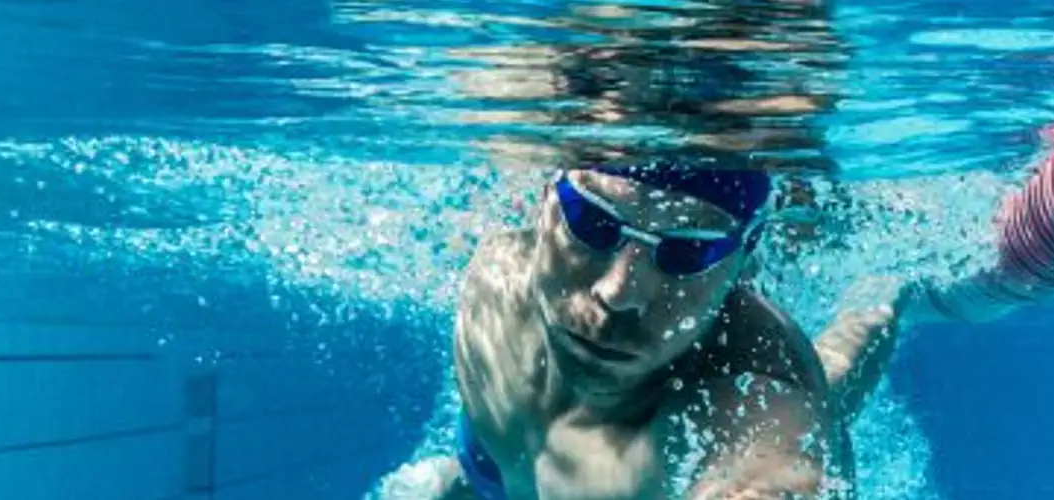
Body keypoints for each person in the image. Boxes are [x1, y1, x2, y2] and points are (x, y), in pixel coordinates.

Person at [374, 1, 921, 498]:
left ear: (742, 262)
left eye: (688, 251)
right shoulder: (498, 268)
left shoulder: (750, 393)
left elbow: (773, 462)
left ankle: (883, 299)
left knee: (832, 381)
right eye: (594, 222)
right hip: (491, 472)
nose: (620, 293)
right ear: (545, 199)